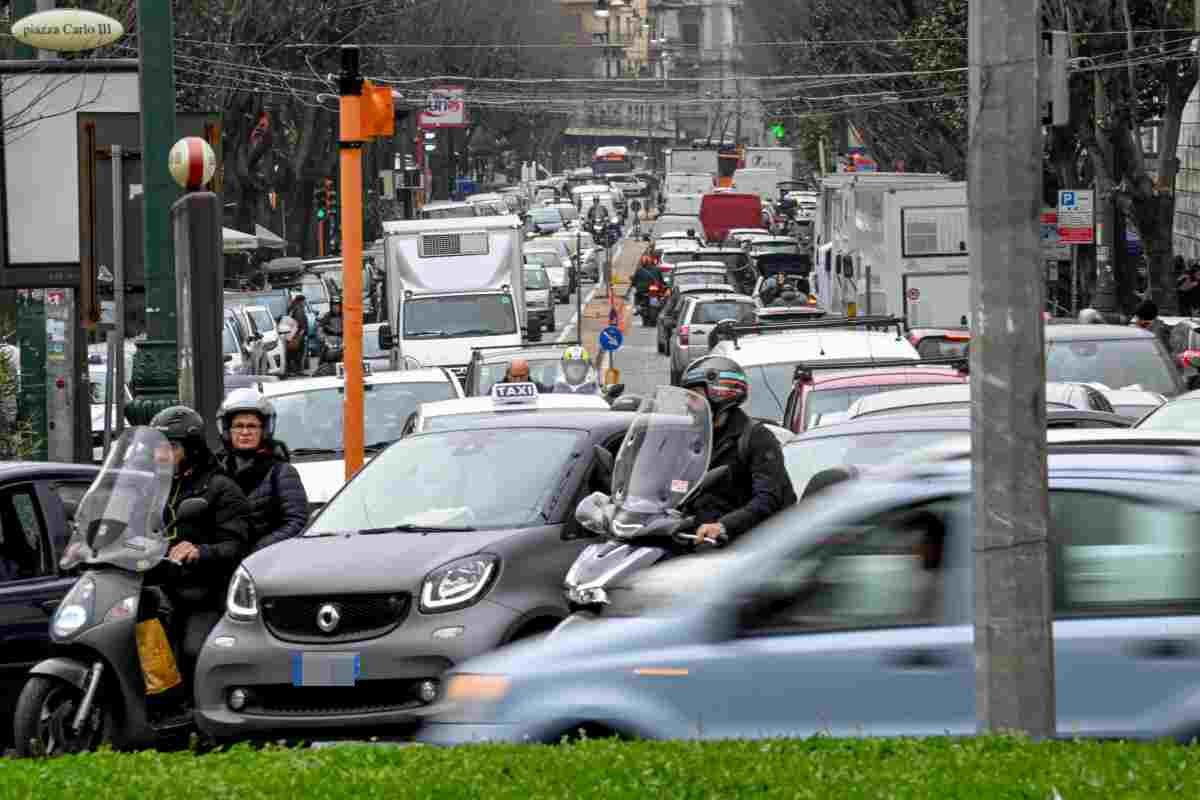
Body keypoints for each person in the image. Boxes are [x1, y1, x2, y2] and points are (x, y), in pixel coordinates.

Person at [148, 405, 249, 686]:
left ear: (192, 449)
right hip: (155, 587)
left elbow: (237, 546)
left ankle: (198, 715)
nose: (160, 455)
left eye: (171, 447)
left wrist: (200, 551)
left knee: (194, 651)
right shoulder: (151, 487)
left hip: (201, 593)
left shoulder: (221, 488)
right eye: (157, 447)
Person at [679, 355, 797, 545]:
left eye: (695, 395)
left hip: (746, 546)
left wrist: (723, 526)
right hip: (697, 540)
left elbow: (768, 498)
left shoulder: (757, 438)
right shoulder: (695, 438)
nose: (689, 404)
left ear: (720, 393)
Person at [215, 389, 309, 553]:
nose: (245, 432)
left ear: (264, 430)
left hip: (264, 561)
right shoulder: (217, 469)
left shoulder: (281, 472)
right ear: (227, 430)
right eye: (238, 426)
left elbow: (296, 521)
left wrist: (258, 549)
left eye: (252, 426)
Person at [285, 294, 308, 376]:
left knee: (291, 353)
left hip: (290, 335)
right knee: (298, 353)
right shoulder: (299, 310)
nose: (305, 303)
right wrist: (301, 334)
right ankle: (298, 371)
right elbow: (301, 323)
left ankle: (291, 370)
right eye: (304, 301)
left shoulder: (291, 308)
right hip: (297, 335)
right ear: (301, 301)